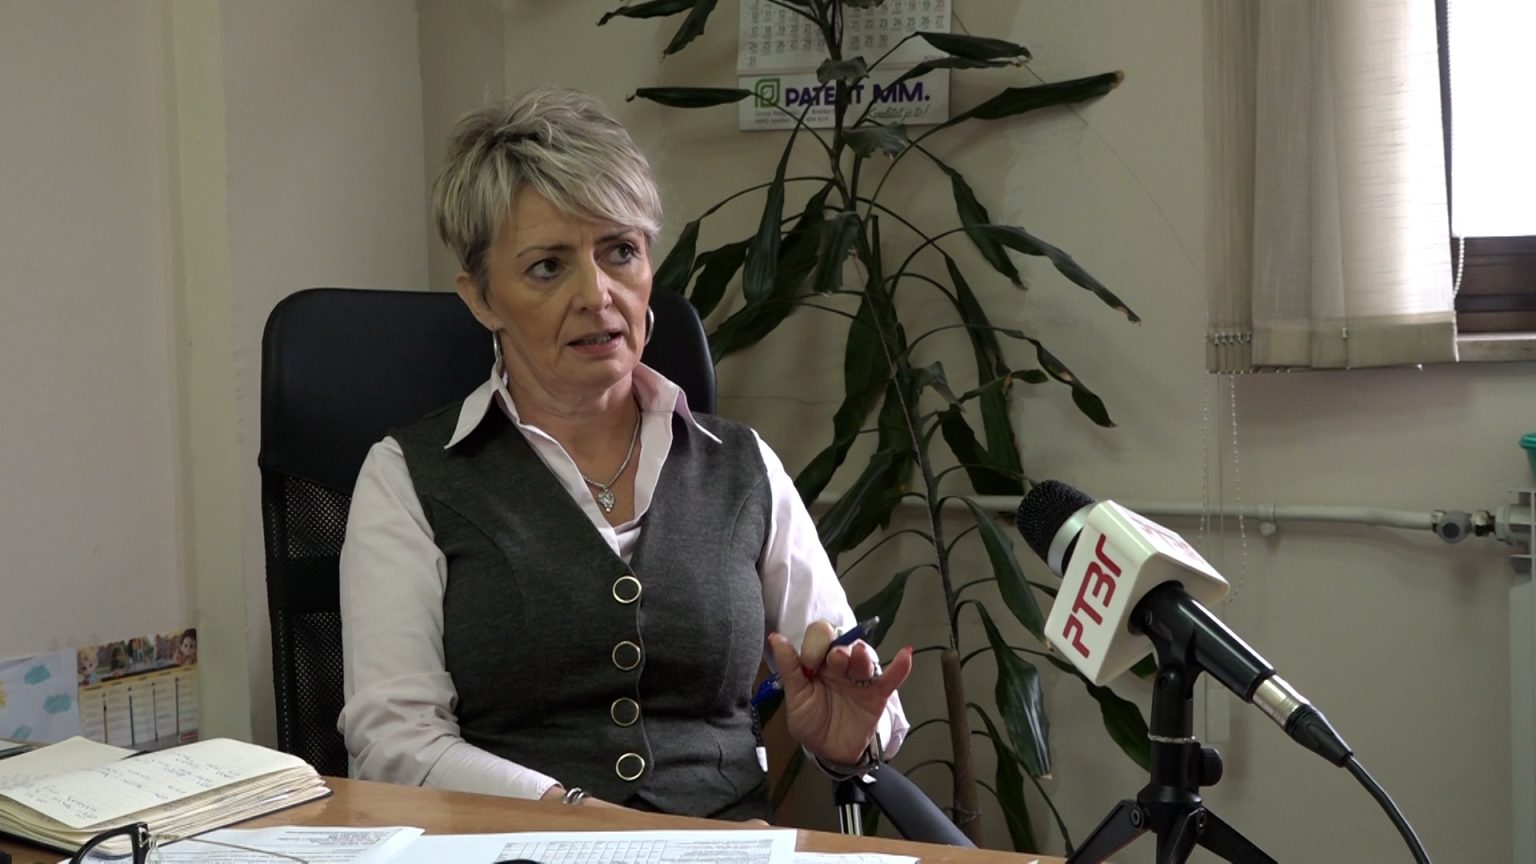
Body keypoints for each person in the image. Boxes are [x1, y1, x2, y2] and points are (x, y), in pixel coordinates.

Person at [337, 88, 911, 822]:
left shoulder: (742, 466)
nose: (597, 294)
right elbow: (393, 743)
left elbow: (850, 685)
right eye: (548, 267)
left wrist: (850, 738)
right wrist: (571, 811)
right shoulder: (408, 477)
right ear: (481, 298)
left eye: (620, 252)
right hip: (514, 848)